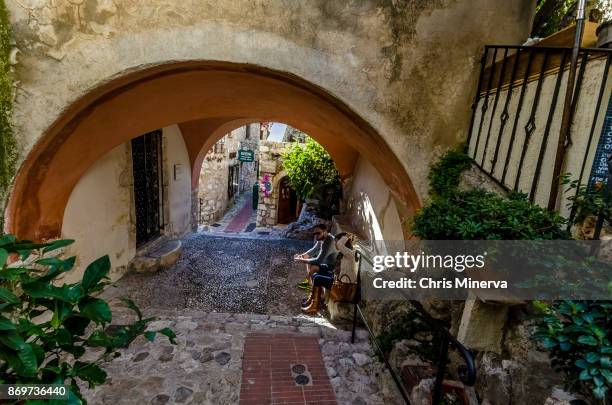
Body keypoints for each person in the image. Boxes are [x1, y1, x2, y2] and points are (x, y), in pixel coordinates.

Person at [301, 232, 357, 315]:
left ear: (342, 242)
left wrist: (346, 237)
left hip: (343, 285)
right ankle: (313, 301)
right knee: (317, 272)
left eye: (336, 242)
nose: (335, 244)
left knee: (317, 278)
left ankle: (314, 307)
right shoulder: (344, 253)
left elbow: (340, 244)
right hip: (338, 279)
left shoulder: (349, 253)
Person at [294, 223, 337, 311]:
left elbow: (318, 260)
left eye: (318, 233)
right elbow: (313, 250)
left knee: (313, 266)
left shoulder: (329, 241)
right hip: (326, 264)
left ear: (325, 232)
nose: (316, 236)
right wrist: (302, 256)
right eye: (314, 234)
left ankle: (313, 295)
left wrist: (302, 260)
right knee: (310, 263)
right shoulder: (321, 239)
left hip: (331, 268)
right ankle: (313, 293)